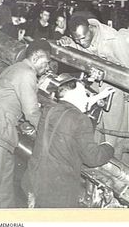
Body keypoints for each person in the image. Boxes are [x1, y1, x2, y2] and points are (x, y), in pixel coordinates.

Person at [0, 39, 51, 208]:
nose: (47, 66)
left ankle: (4, 213)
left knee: (5, 171)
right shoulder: (27, 73)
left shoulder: (16, 67)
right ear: (36, 57)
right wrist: (47, 130)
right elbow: (32, 111)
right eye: (46, 62)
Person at [21, 75, 115, 208]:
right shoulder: (81, 120)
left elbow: (70, 111)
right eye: (84, 93)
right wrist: (108, 147)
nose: (86, 97)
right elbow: (92, 158)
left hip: (35, 179)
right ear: (75, 95)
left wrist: (96, 99)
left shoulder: (50, 109)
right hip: (57, 191)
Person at [60, 15, 129, 146]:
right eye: (77, 40)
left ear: (90, 28)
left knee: (112, 132)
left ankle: (112, 162)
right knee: (95, 126)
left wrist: (128, 92)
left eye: (83, 38)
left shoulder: (113, 38)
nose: (81, 42)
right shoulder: (78, 37)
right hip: (93, 87)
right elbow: (76, 48)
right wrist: (67, 42)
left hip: (114, 88)